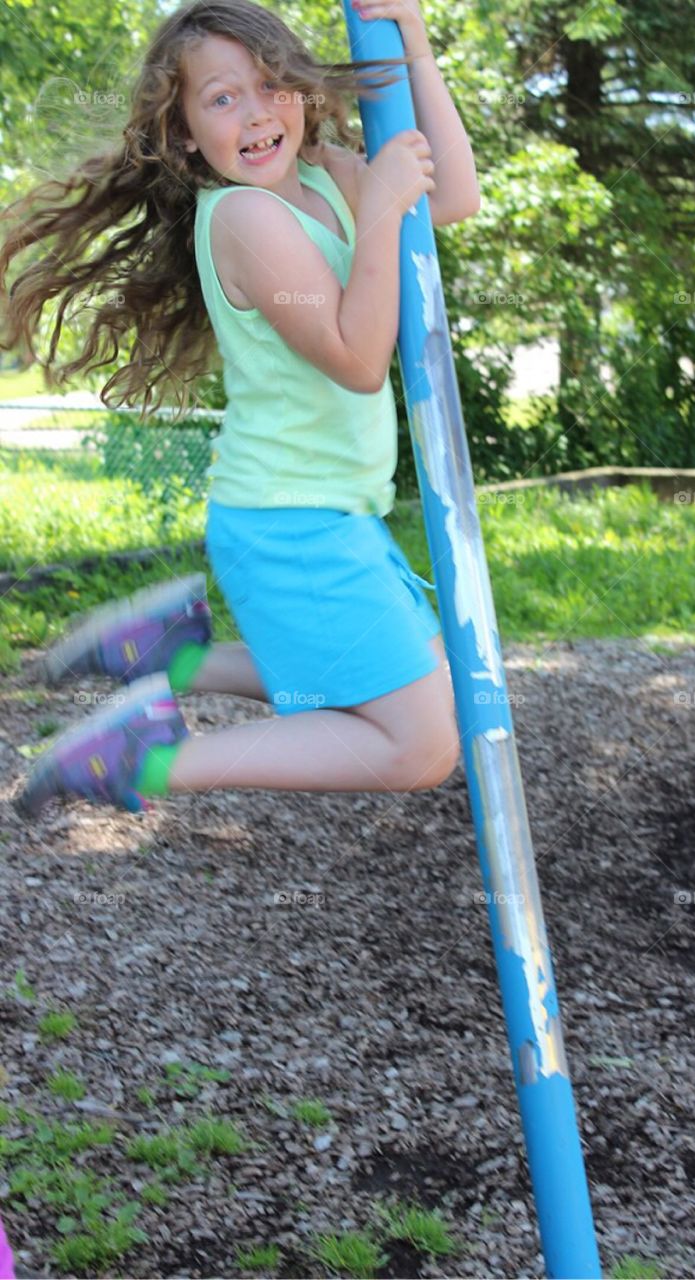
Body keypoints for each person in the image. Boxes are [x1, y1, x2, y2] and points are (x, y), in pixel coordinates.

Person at [1, 0, 480, 817]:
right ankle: (145, 758)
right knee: (422, 744)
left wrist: (419, 52)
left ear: (299, 89)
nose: (257, 113)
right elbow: (359, 360)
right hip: (290, 522)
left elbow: (454, 200)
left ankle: (167, 654)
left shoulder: (330, 175)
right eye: (223, 99)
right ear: (186, 133)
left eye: (271, 85)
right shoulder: (247, 218)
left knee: (415, 683)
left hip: (326, 512)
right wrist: (383, 209)